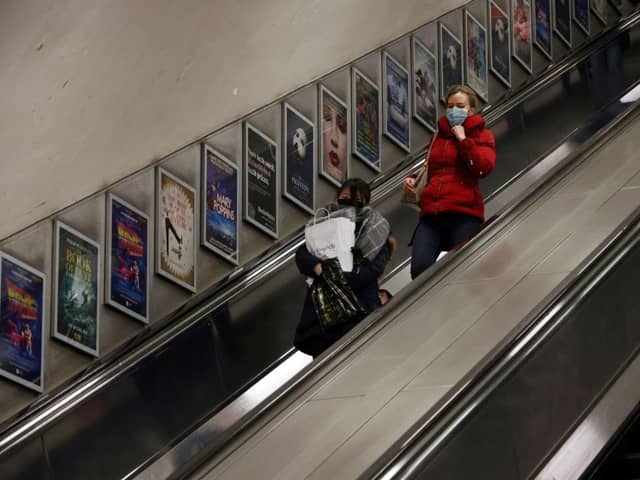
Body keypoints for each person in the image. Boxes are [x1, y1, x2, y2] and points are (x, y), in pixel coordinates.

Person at [404, 85, 496, 279]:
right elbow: (434, 167)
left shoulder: (482, 136)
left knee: (464, 269)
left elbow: (483, 167)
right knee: (419, 270)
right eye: (450, 105)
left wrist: (463, 140)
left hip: (464, 214)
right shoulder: (438, 136)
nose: (454, 110)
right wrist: (412, 179)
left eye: (460, 106)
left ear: (471, 110)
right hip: (432, 214)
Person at [294, 178, 393, 357]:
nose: (350, 203)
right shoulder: (324, 223)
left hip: (359, 311)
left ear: (367, 203)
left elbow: (371, 272)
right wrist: (317, 266)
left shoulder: (378, 231)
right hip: (324, 316)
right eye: (346, 197)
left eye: (357, 199)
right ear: (337, 197)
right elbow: (302, 253)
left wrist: (330, 274)